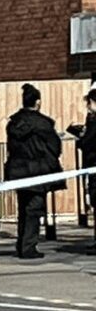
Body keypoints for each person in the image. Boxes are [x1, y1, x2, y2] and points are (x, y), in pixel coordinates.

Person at [6, 84, 66, 260]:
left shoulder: (13, 123)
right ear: (38, 102)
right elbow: (55, 146)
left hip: (18, 170)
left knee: (23, 209)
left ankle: (22, 244)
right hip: (38, 171)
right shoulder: (43, 124)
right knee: (34, 209)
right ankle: (29, 247)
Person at [66, 89, 96, 249]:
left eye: (89, 103)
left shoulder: (93, 120)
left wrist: (81, 138)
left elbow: (88, 142)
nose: (88, 107)